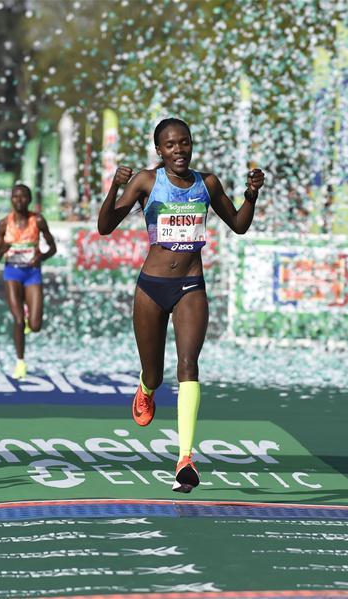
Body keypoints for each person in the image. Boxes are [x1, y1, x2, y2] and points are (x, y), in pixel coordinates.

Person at [97, 118, 265, 493]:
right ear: (159, 150)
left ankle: (184, 459)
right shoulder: (145, 181)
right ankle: (146, 387)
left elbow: (238, 224)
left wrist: (251, 195)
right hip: (151, 288)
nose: (179, 150)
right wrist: (115, 187)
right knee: (155, 374)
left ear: (191, 145)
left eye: (184, 143)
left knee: (188, 364)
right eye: (170, 145)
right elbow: (105, 226)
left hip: (191, 286)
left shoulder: (207, 184)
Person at [0, 184, 57, 381]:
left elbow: (52, 247)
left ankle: (29, 315)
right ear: (11, 199)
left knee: (35, 325)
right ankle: (20, 362)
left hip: (32, 273)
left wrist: (42, 257)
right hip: (12, 272)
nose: (18, 200)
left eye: (22, 197)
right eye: (15, 197)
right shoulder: (4, 224)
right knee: (18, 320)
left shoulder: (37, 220)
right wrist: (3, 248)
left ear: (29, 200)